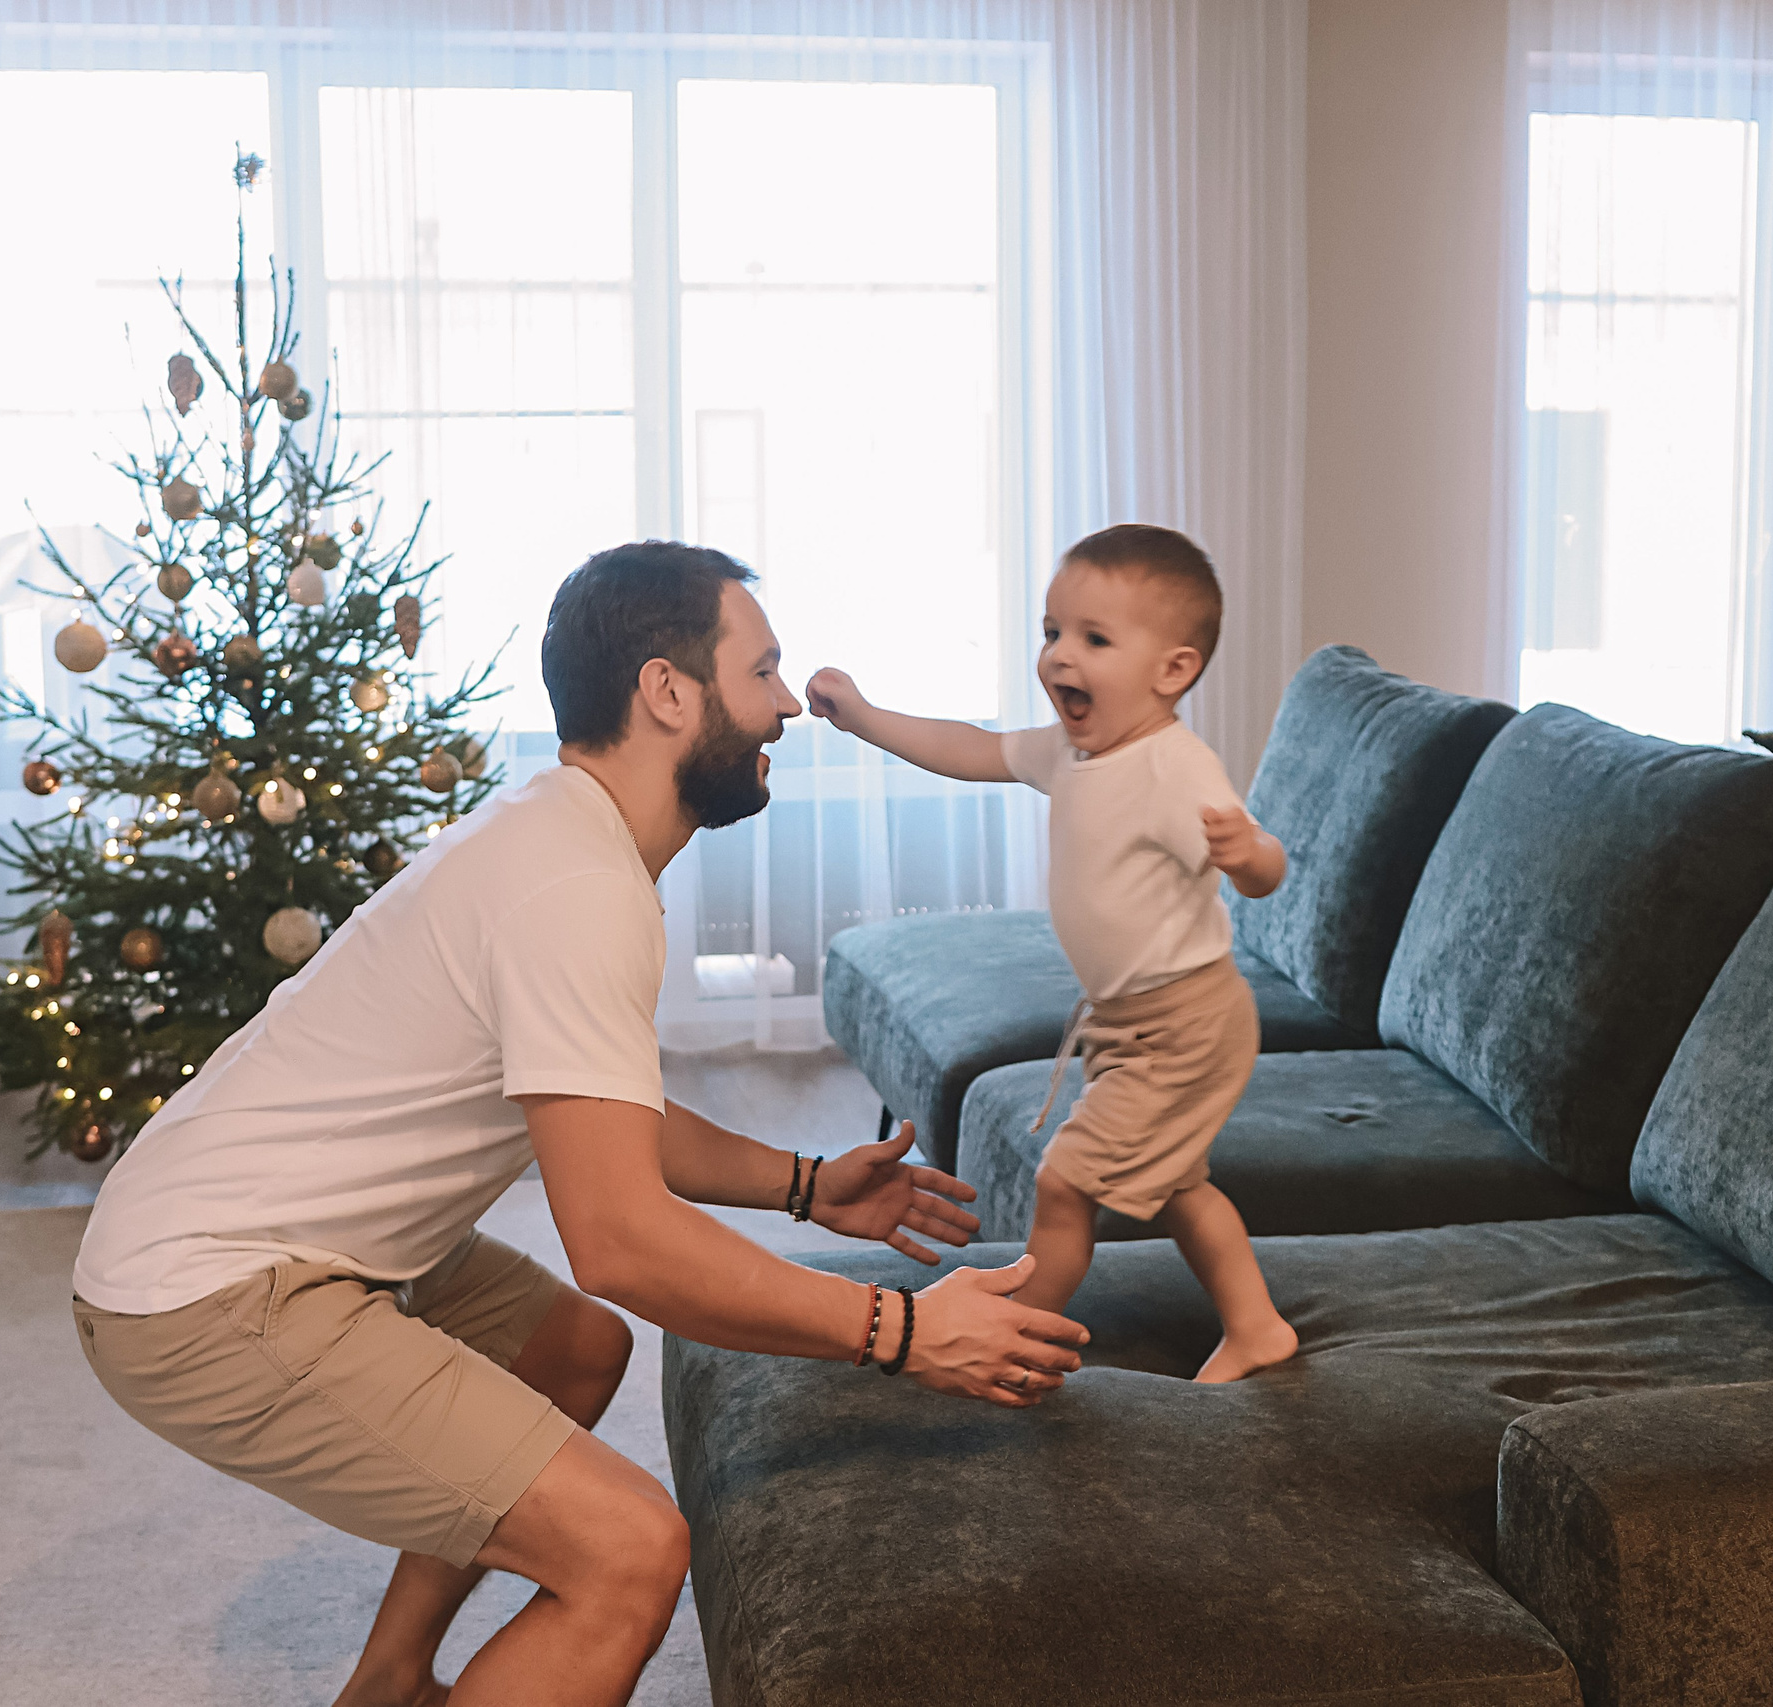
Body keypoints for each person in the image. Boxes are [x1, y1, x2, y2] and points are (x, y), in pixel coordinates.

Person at [70, 540, 1091, 1707]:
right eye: (760, 675)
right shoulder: (577, 892)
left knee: (573, 1346)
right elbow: (620, 1241)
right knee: (629, 1553)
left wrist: (805, 1185)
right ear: (668, 691)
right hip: (208, 1290)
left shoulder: (560, 837)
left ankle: (392, 1680)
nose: (780, 712)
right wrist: (901, 1329)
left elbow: (604, 1112)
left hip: (274, 1226)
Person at [806, 523, 1298, 1384]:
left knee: (1066, 1180)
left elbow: (1267, 864)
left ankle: (1017, 1330)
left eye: (1094, 639)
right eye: (1052, 631)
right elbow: (970, 748)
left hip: (1186, 1025)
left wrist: (1246, 855)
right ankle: (1256, 1325)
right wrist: (869, 718)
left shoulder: (1173, 769)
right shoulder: (1073, 751)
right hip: (1125, 1021)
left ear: (1172, 670)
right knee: (1178, 1184)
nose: (1060, 656)